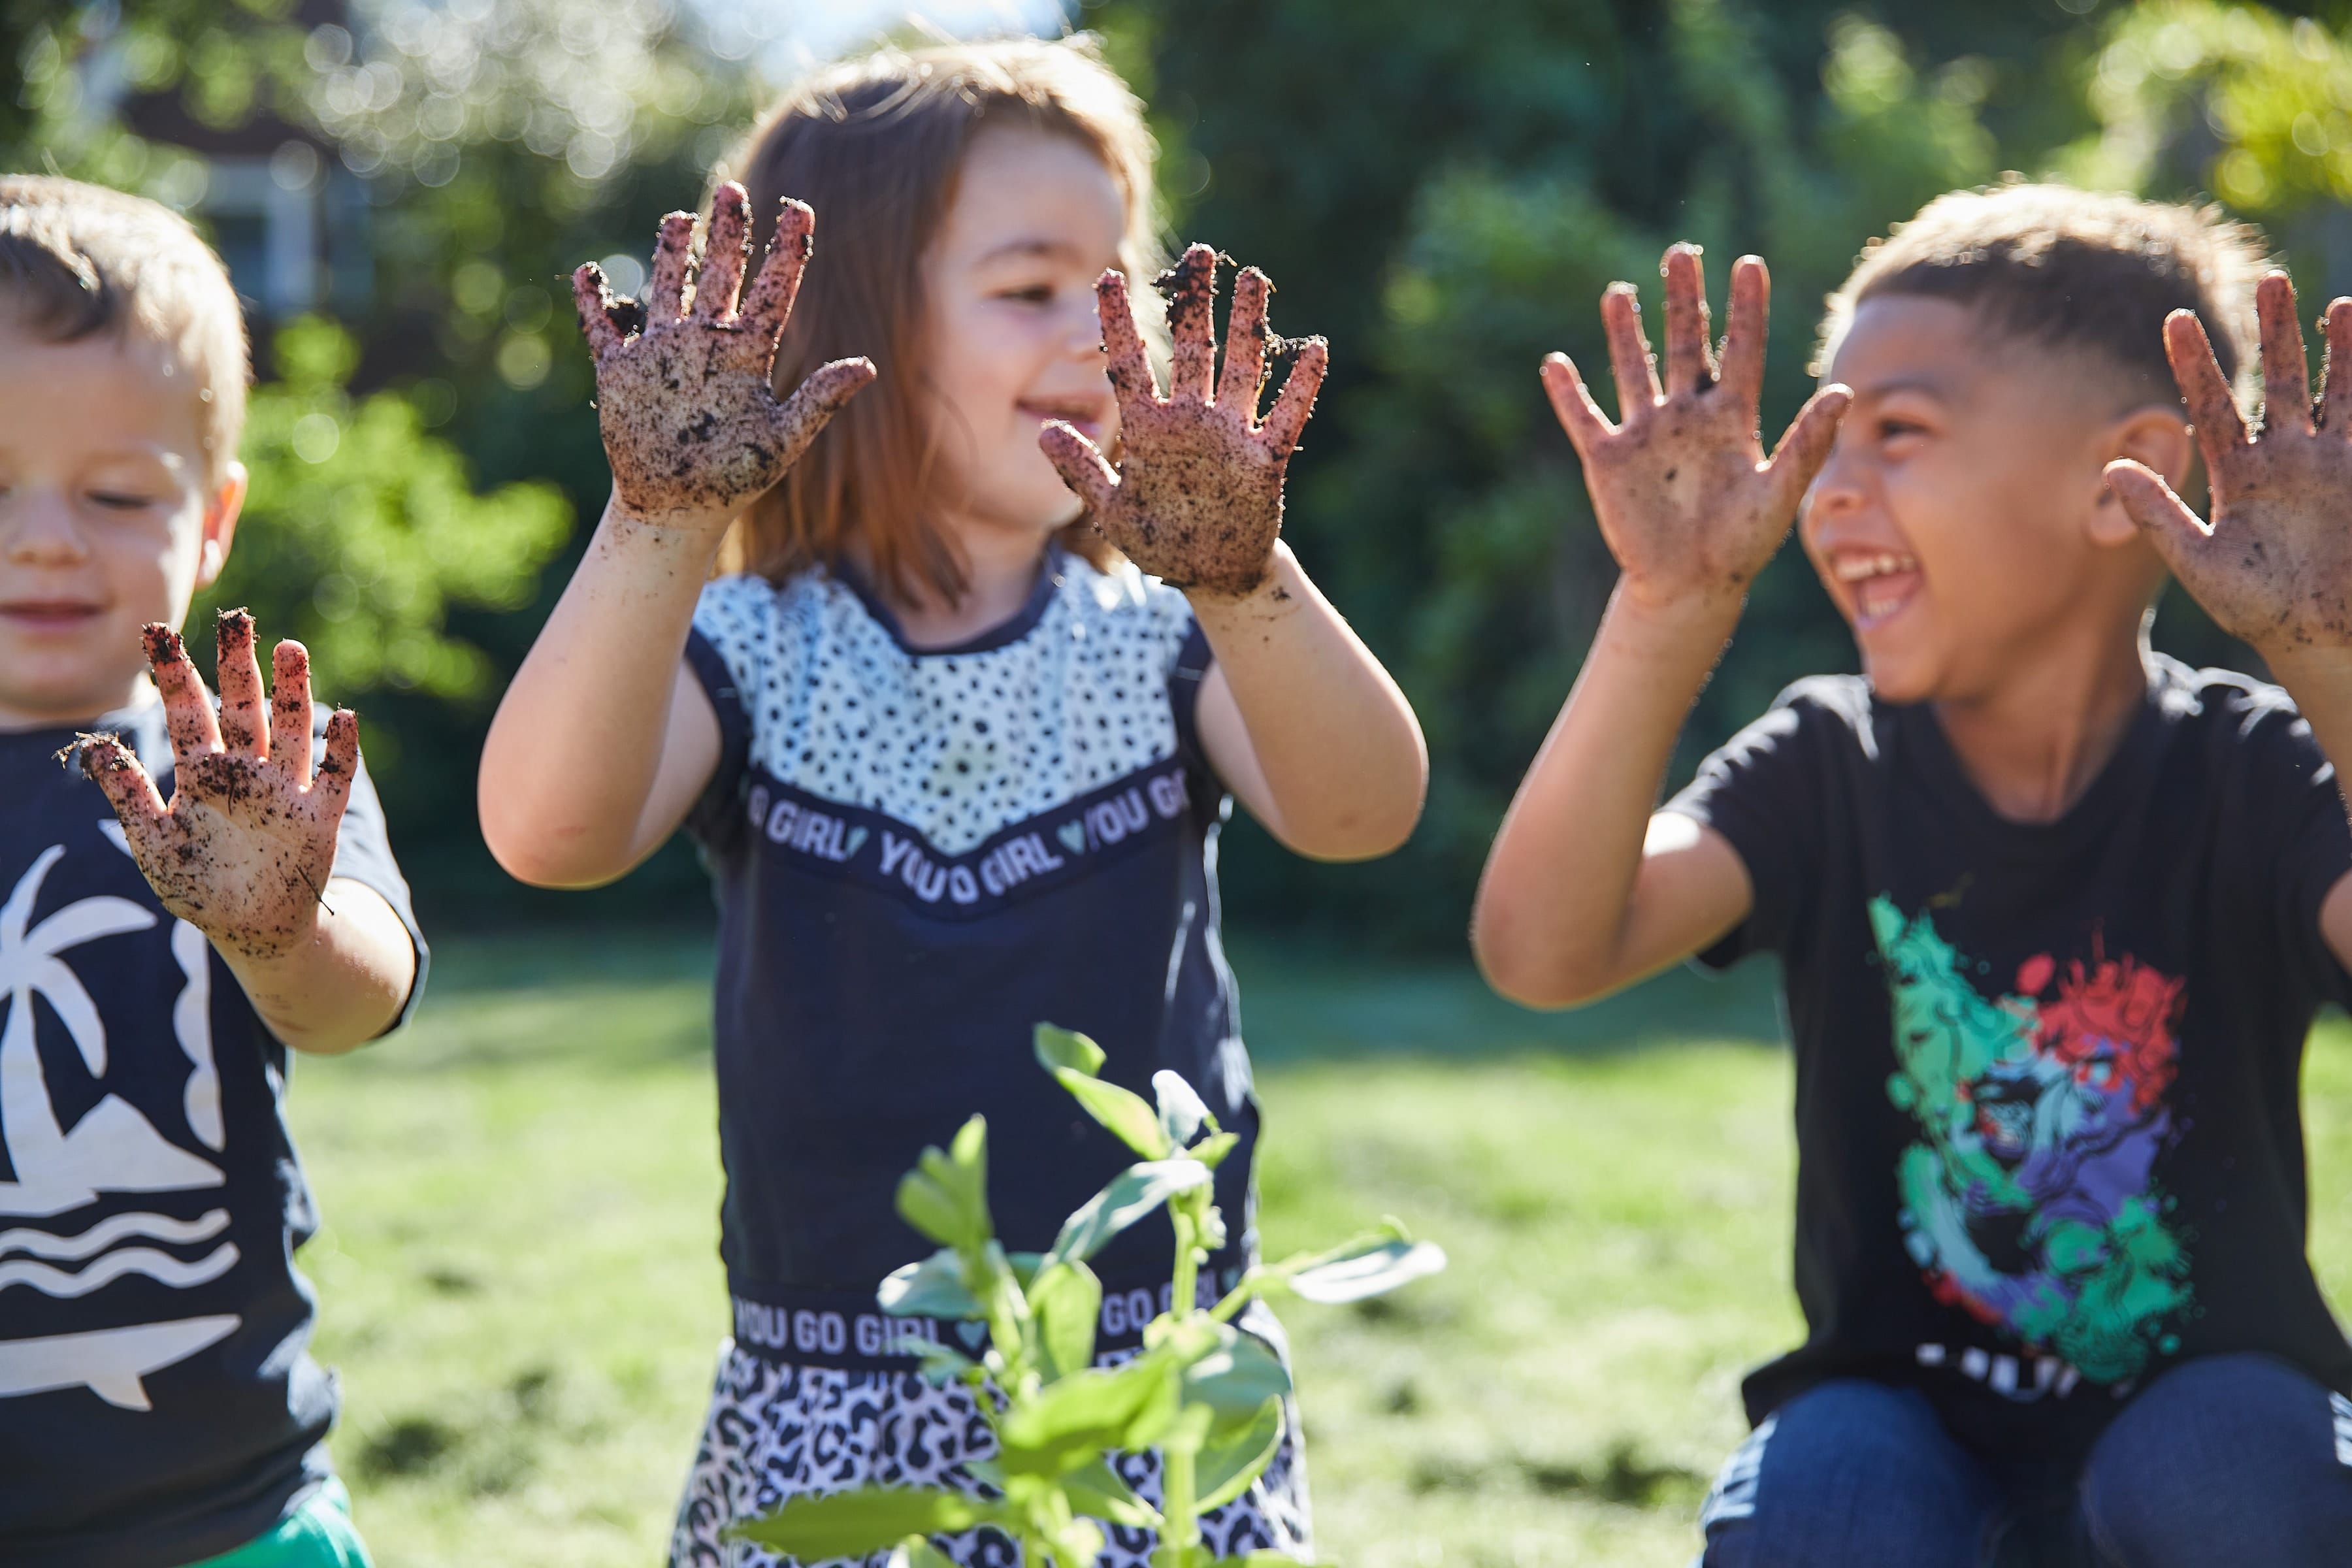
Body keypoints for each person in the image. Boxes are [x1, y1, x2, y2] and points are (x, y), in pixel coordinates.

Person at [476, 37, 1426, 1568]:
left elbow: (1363, 811)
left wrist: (1244, 574)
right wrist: (660, 517)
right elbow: (548, 831)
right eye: (1032, 286)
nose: (1098, 331)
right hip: (835, 1402)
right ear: (848, 325)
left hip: (1148, 1395)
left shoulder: (1163, 638)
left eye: (1116, 283)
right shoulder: (753, 651)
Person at [1472, 182, 2352, 1565]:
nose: (1826, 491)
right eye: (1824, 438)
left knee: (2240, 1473)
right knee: (1821, 1504)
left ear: (2131, 477)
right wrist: (1666, 609)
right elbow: (1543, 950)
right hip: (1893, 1423)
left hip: (2208, 1415)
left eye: (1899, 434)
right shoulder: (1828, 763)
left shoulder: (2249, 770)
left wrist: (2325, 649)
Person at [0, 176, 425, 1567]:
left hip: (230, 1520)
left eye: (117, 492)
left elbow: (350, 1004)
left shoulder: (245, 779)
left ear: (216, 519)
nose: (48, 536)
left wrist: (272, 925)